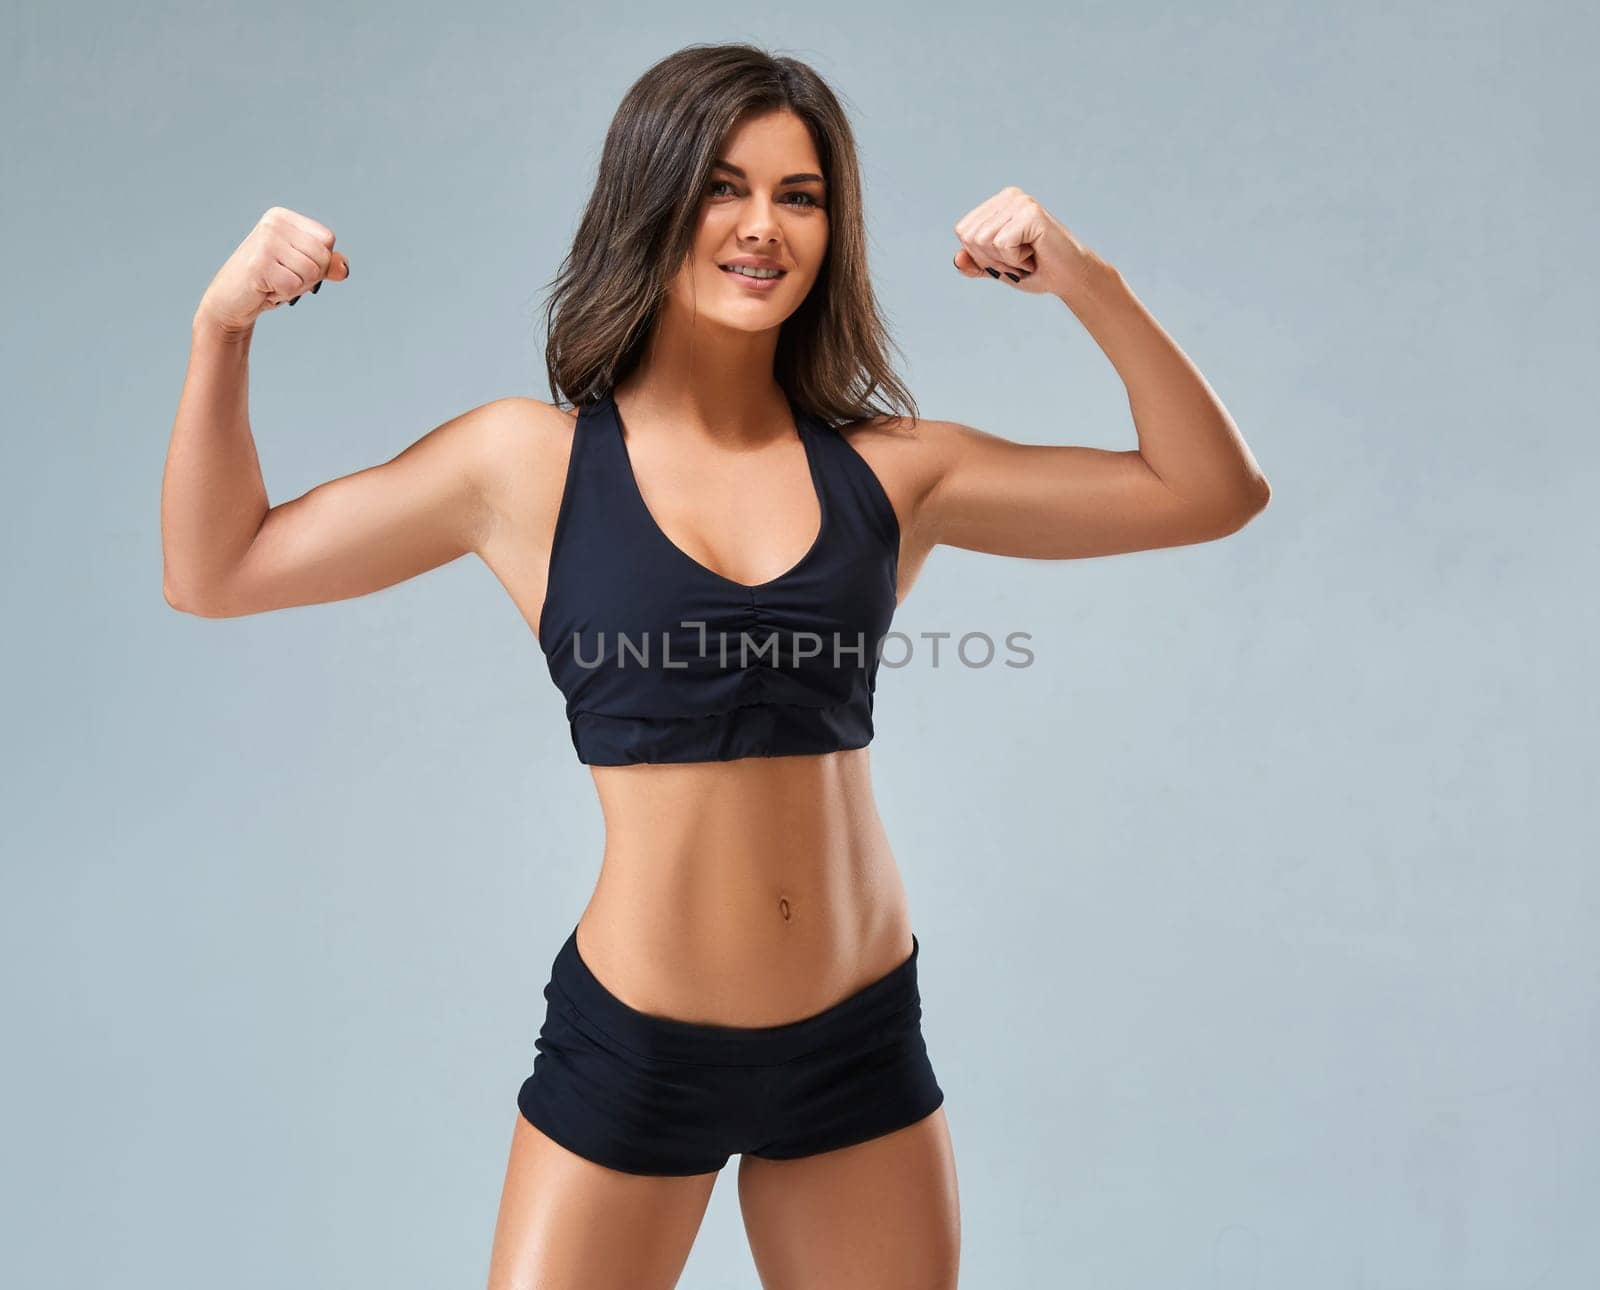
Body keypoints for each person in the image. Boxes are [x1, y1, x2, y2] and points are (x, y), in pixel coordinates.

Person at [159, 40, 1269, 1290]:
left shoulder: (897, 469)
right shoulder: (521, 465)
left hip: (857, 1046)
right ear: (653, 201)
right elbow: (218, 571)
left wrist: (1086, 280)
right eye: (722, 187)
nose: (762, 228)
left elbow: (1210, 491)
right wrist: (223, 328)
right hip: (639, 1049)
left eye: (799, 195)